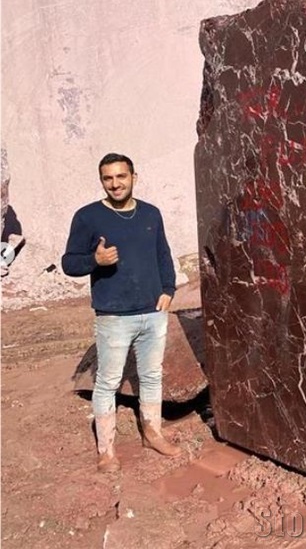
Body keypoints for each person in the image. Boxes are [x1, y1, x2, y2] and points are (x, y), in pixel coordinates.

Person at [62, 153, 181, 473]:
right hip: (113, 315)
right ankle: (106, 450)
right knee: (109, 381)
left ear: (133, 177)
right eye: (108, 178)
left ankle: (152, 433)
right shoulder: (87, 217)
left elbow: (163, 254)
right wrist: (94, 261)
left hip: (153, 313)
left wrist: (168, 290)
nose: (115, 183)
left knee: (152, 376)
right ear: (102, 180)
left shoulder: (151, 214)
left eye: (121, 177)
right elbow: (69, 263)